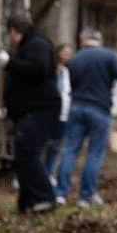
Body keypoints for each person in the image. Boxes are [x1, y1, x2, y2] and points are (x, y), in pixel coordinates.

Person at [56, 30, 117, 208]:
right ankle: (85, 196)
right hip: (99, 109)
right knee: (95, 153)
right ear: (99, 40)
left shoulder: (75, 59)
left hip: (76, 108)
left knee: (70, 150)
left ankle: (60, 193)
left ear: (83, 40)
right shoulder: (109, 56)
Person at [0, 14, 61, 214]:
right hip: (31, 109)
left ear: (13, 31)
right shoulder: (30, 45)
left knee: (27, 151)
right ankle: (27, 201)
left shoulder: (36, 44)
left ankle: (45, 197)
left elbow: (38, 69)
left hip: (40, 109)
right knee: (22, 154)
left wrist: (10, 64)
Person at [43, 43, 74, 183]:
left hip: (63, 114)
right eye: (64, 52)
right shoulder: (51, 70)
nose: (67, 56)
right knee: (42, 144)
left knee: (55, 145)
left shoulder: (66, 72)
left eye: (69, 53)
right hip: (49, 112)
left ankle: (48, 172)